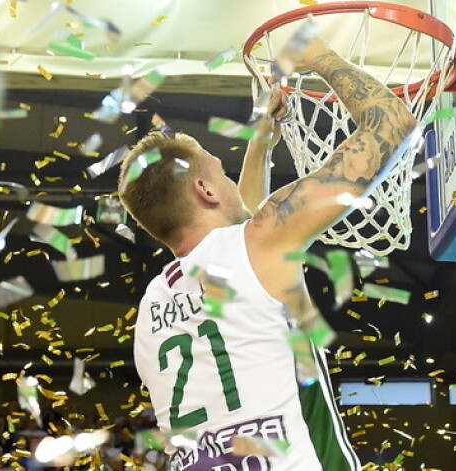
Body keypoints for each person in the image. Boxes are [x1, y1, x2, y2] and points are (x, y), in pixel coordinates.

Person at [119, 36, 415, 471]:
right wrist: (318, 56)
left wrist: (261, 145)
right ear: (204, 189)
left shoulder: (150, 308)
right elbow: (391, 123)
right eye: (219, 170)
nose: (228, 178)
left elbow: (241, 245)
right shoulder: (257, 243)